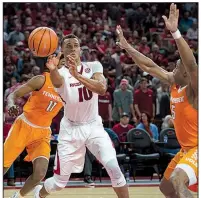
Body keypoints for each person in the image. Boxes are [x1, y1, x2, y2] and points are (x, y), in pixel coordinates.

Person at [116, 3, 197, 197]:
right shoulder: (174, 83)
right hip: (186, 149)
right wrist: (128, 47)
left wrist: (176, 32)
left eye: (177, 66)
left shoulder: (195, 90)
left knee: (178, 180)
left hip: (198, 147)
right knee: (166, 188)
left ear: (186, 73)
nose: (173, 67)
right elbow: (149, 65)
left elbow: (192, 63)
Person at [34, 34, 129, 198]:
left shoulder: (94, 66)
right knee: (59, 182)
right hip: (70, 130)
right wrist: (53, 69)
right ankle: (39, 193)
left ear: (80, 49)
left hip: (93, 126)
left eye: (75, 45)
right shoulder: (60, 73)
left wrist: (78, 76)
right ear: (62, 50)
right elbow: (57, 82)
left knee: (113, 167)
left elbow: (101, 88)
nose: (72, 48)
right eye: (68, 46)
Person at [4, 62, 63, 198]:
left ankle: (18, 195)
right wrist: (11, 104)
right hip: (24, 126)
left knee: (40, 173)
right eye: (62, 64)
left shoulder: (67, 89)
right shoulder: (41, 79)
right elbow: (13, 95)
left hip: (42, 132)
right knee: (4, 165)